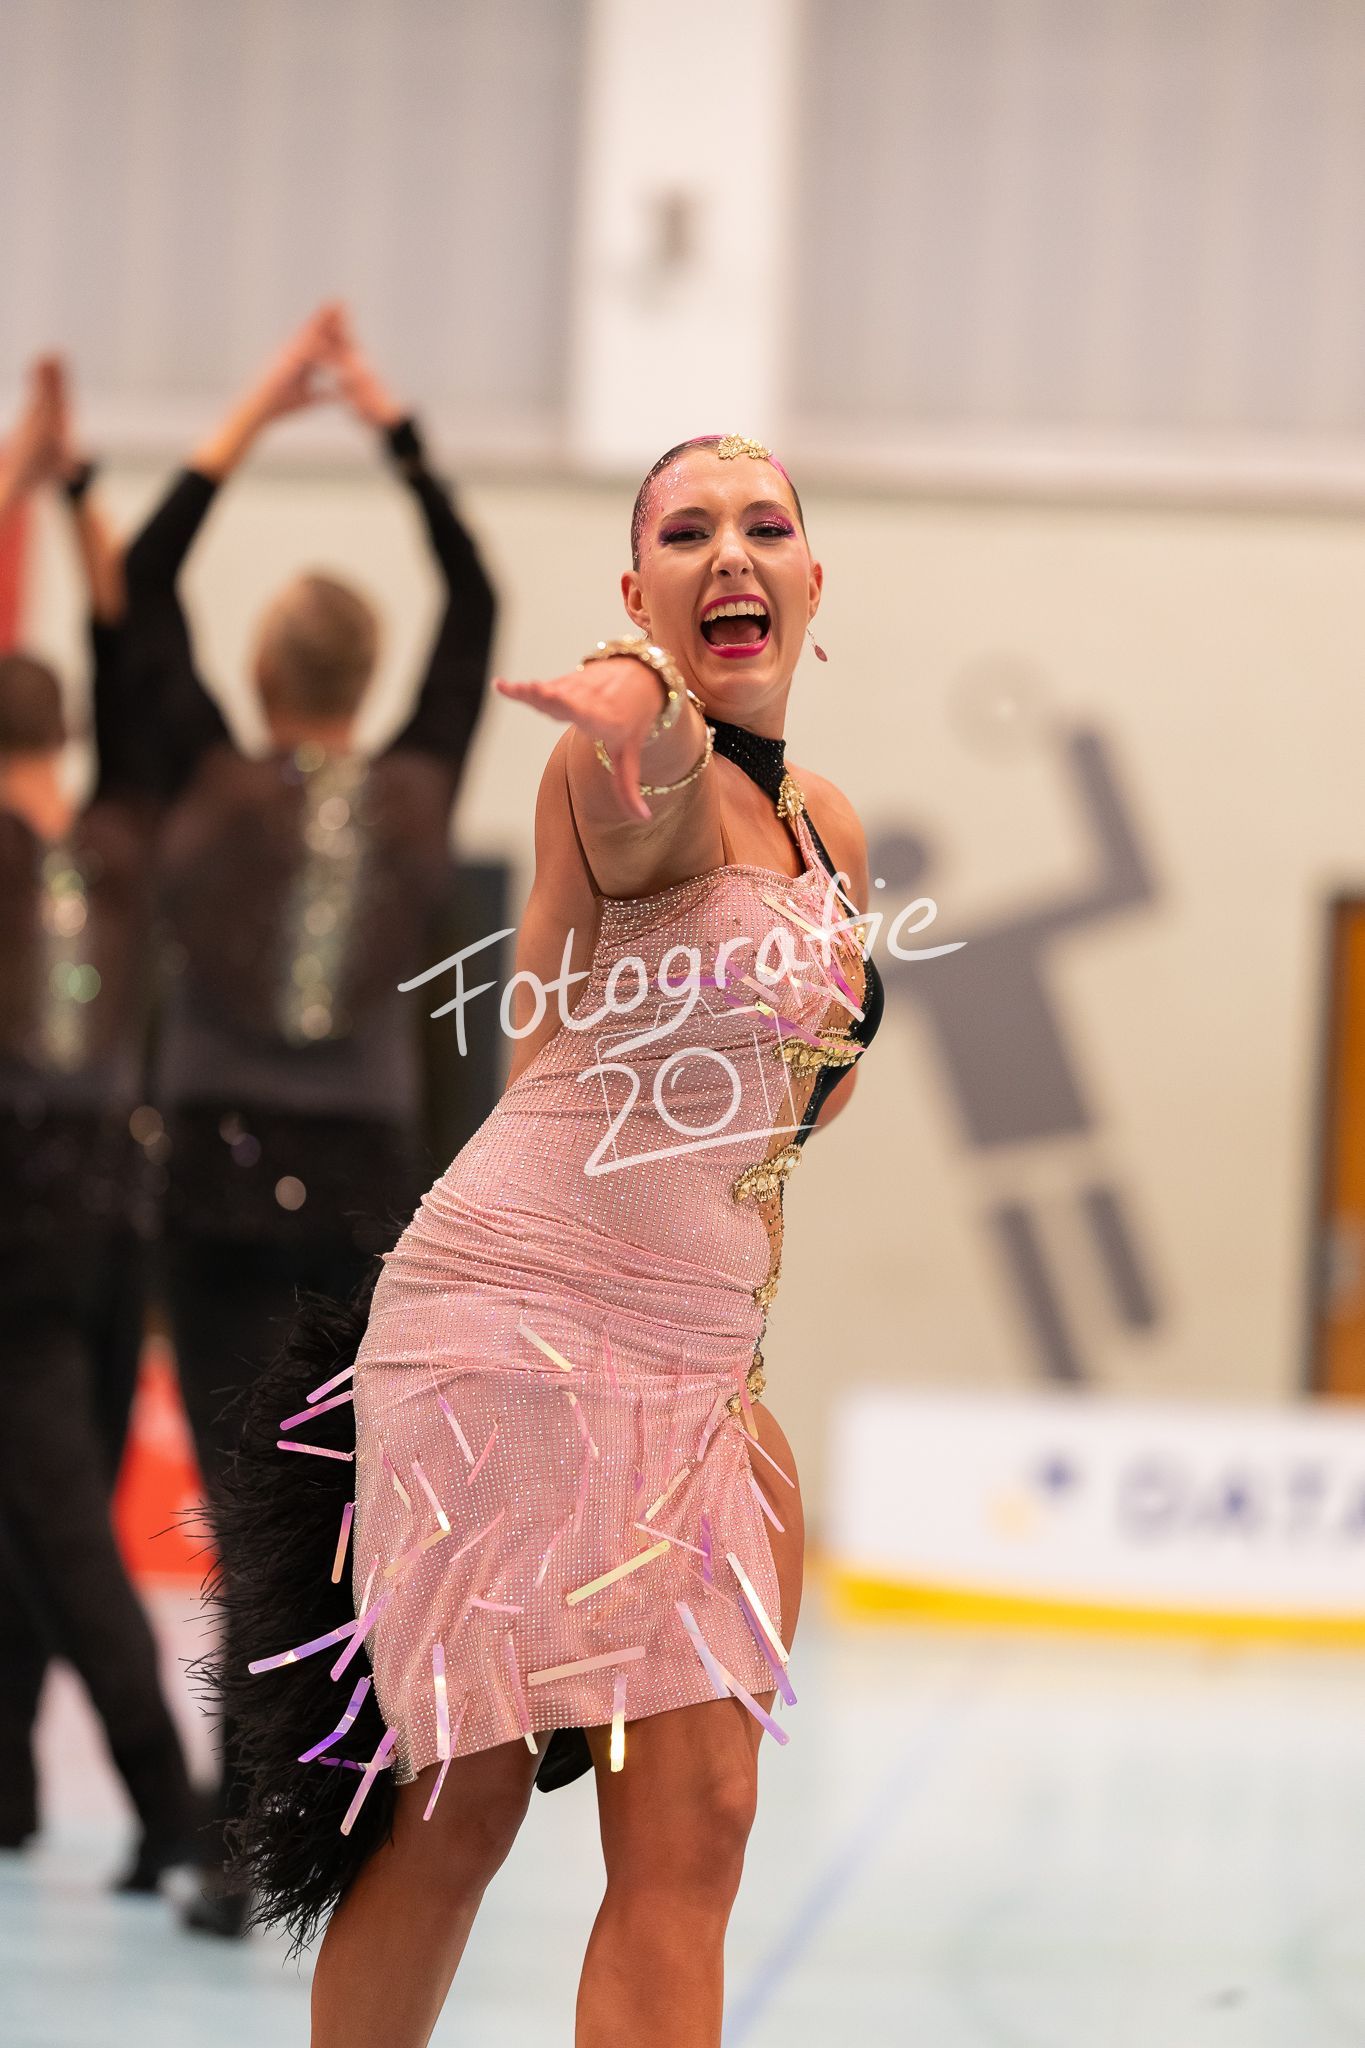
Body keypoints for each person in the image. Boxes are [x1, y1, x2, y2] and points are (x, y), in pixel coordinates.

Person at [215, 429, 883, 2045]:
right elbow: (652, 776)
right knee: (459, 1813)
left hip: (688, 1362)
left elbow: (793, 1101)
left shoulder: (829, 832)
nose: (729, 554)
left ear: (813, 578)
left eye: (762, 526)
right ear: (637, 593)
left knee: (698, 1821)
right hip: (506, 1333)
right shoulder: (619, 765)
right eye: (686, 533)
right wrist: (625, 702)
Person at [122, 304, 496, 1933]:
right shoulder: (416, 794)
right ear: (363, 678)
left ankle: (237, 1836)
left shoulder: (205, 785)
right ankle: (316, 1817)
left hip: (213, 1175)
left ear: (264, 677)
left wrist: (254, 414)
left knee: (236, 1510)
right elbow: (477, 603)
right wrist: (391, 429)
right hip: (356, 1186)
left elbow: (141, 589)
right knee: (323, 1514)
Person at [0, 358, 199, 1884]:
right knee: (35, 1488)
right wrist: (72, 496)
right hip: (120, 1207)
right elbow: (131, 649)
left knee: (59, 1512)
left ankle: (163, 1799)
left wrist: (19, 481)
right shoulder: (127, 829)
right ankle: (8, 1782)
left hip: (19, 1205)